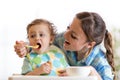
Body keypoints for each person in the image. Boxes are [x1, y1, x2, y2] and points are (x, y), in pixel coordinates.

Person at [14, 12, 115, 80]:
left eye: (73, 36)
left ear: (89, 44)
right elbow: (43, 43)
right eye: (68, 28)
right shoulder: (62, 39)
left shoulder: (100, 63)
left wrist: (91, 71)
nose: (65, 35)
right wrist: (25, 48)